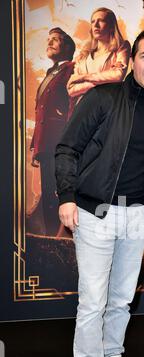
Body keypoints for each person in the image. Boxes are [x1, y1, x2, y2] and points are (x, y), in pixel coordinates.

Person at [55, 29, 144, 357]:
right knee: (93, 300)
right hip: (95, 212)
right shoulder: (103, 97)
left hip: (136, 215)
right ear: (133, 59)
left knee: (121, 299)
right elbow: (67, 147)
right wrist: (67, 196)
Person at [30, 27, 75, 236]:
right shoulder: (51, 72)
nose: (49, 43)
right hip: (45, 144)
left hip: (61, 142)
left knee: (60, 193)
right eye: (48, 39)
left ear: (67, 46)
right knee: (48, 193)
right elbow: (40, 111)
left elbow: (72, 106)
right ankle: (51, 238)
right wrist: (34, 146)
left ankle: (62, 239)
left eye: (55, 40)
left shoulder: (71, 69)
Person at [67, 7, 131, 106]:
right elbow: (71, 89)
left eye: (101, 21)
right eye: (93, 22)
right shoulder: (83, 55)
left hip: (107, 108)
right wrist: (103, 83)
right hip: (81, 109)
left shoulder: (121, 47)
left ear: (111, 26)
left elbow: (117, 75)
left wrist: (83, 77)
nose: (96, 25)